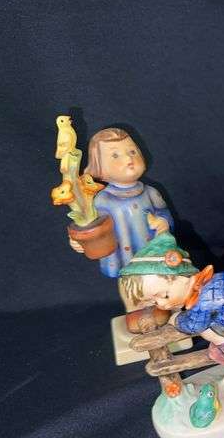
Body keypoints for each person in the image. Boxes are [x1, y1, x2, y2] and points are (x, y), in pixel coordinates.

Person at [69, 127, 173, 311]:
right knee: (129, 284)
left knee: (158, 281)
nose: (128, 159)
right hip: (123, 257)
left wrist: (163, 222)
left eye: (132, 151)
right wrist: (80, 241)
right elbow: (88, 225)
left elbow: (163, 212)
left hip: (153, 254)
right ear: (98, 167)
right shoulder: (101, 200)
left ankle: (162, 308)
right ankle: (135, 312)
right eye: (115, 155)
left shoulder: (150, 193)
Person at [118, 233, 224, 366]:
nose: (161, 304)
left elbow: (193, 325)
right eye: (154, 302)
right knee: (217, 318)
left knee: (206, 330)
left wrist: (176, 319)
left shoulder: (203, 299)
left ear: (184, 278)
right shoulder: (207, 283)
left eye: (165, 295)